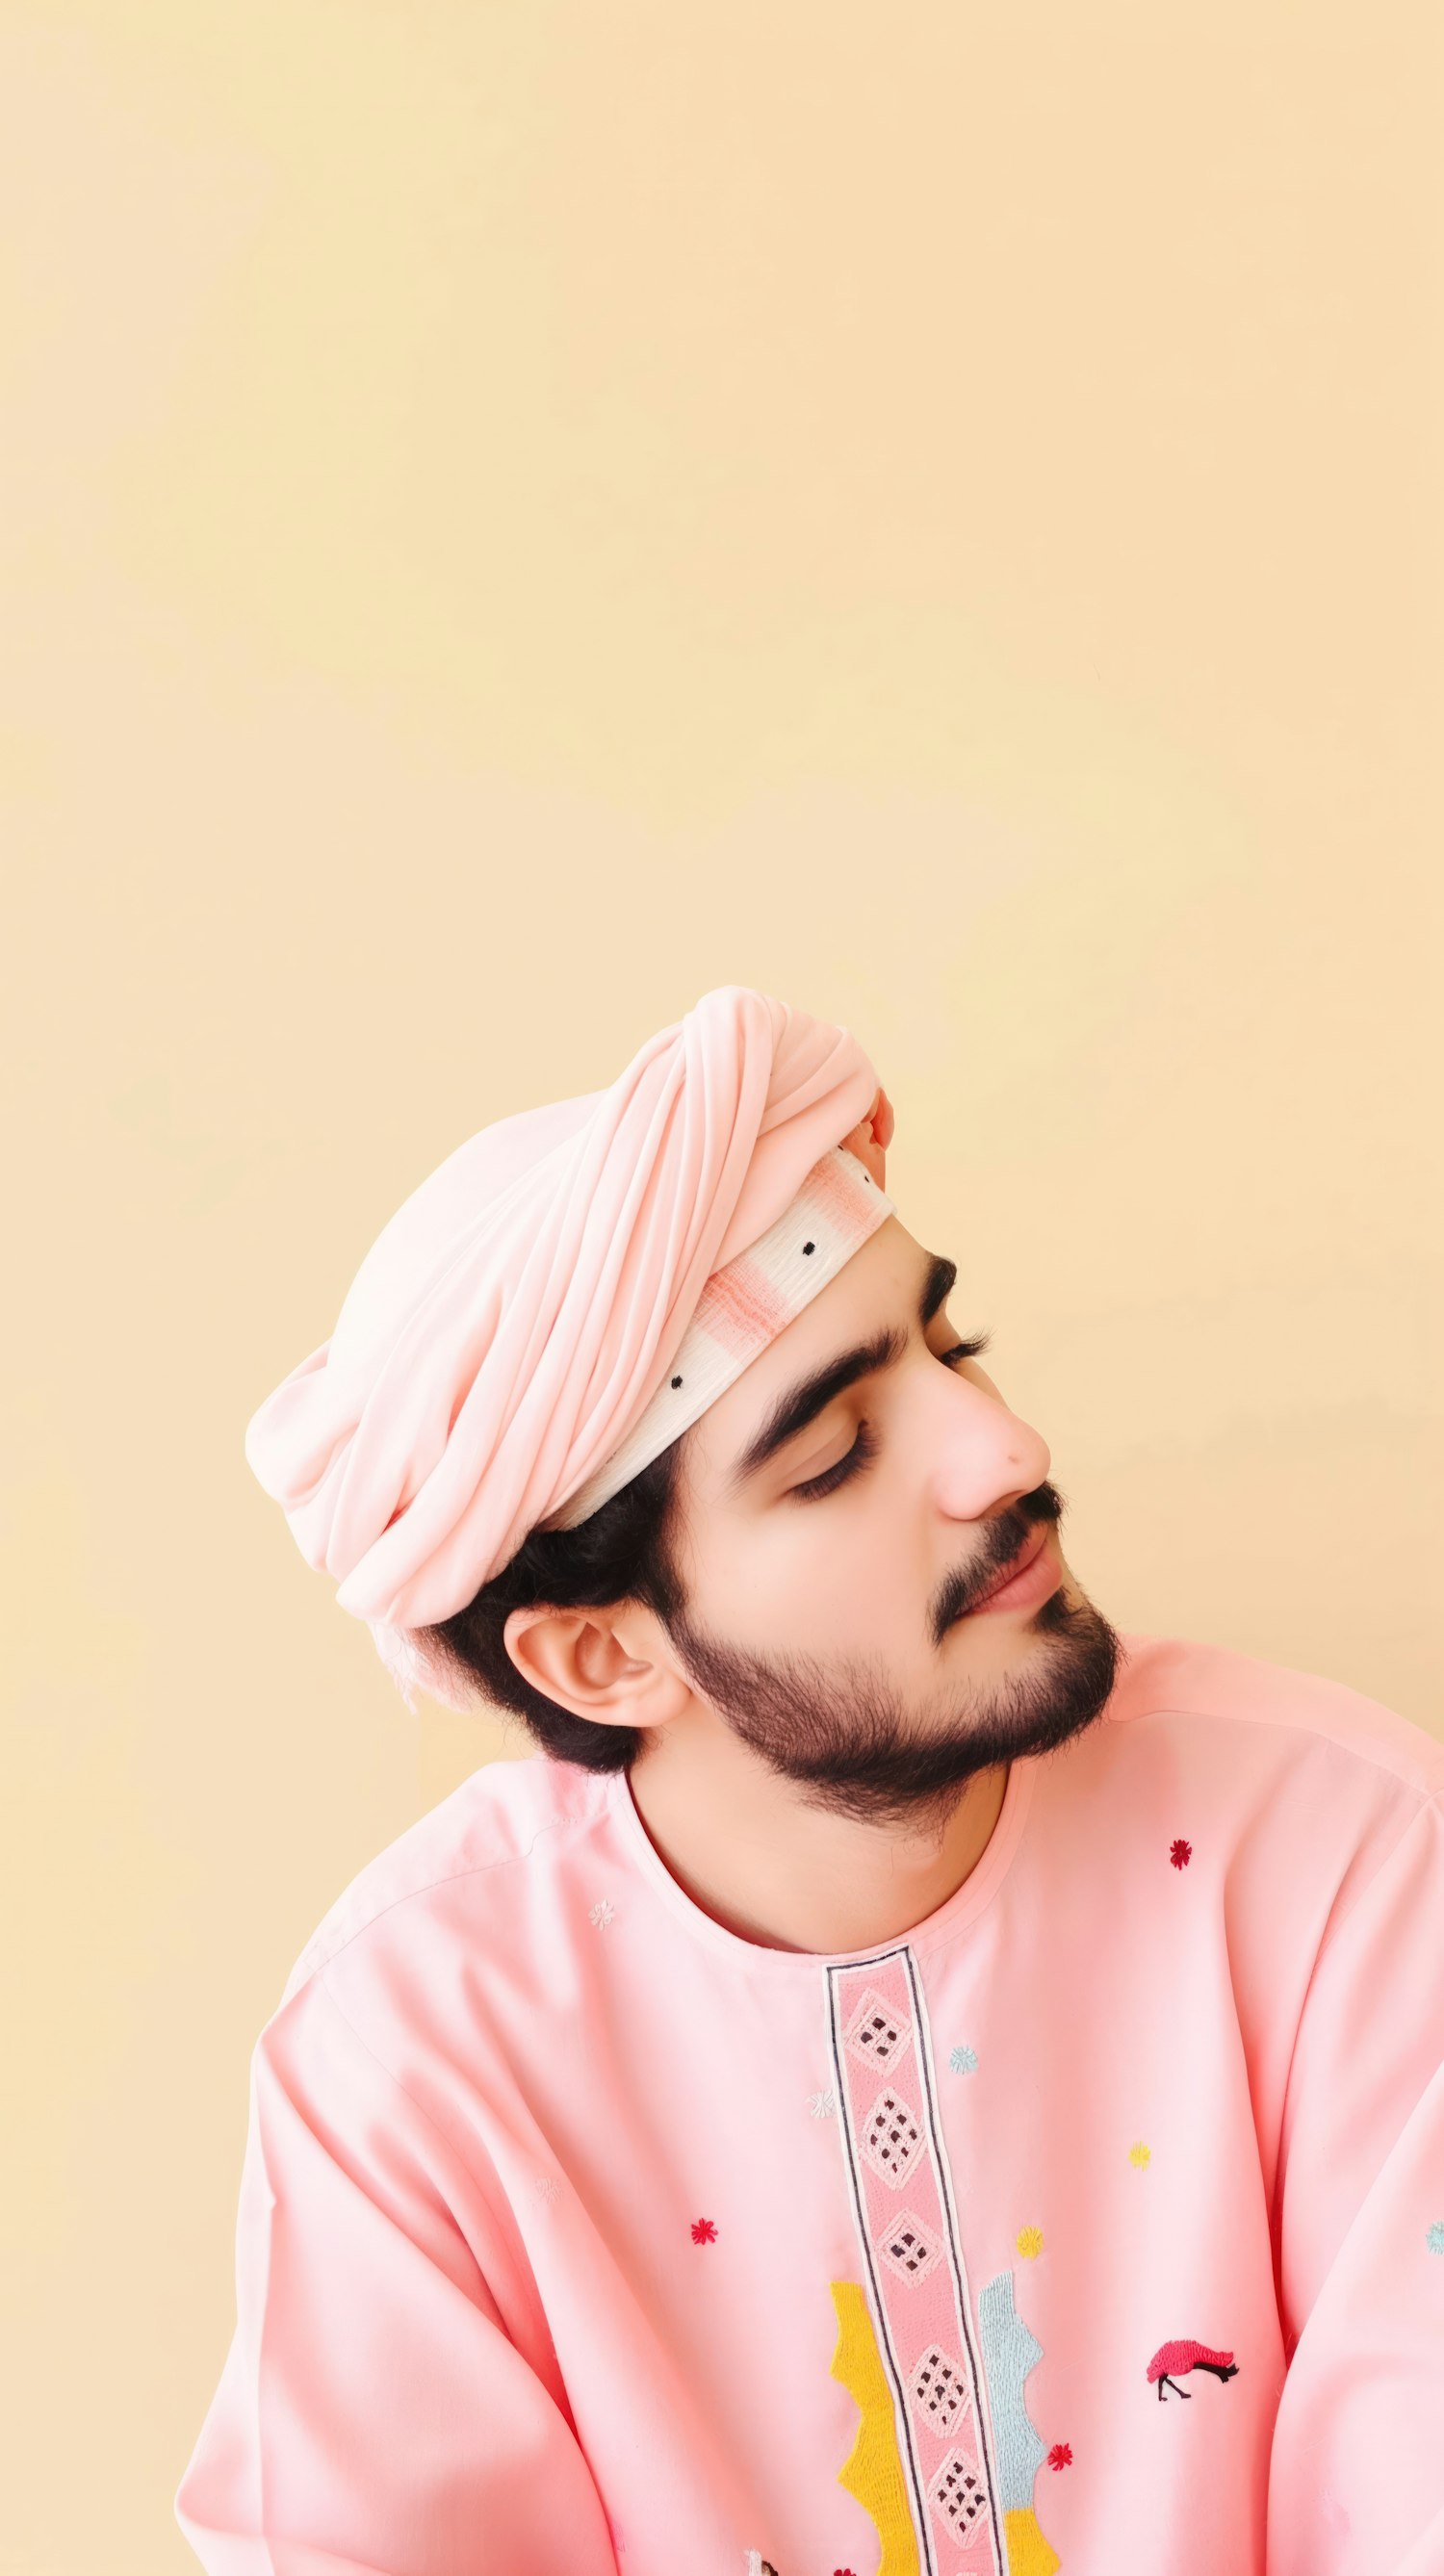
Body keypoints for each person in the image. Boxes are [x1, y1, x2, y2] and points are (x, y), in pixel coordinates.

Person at [174, 986, 1444, 2576]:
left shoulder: (1345, 1864)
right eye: (836, 1453)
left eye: (950, 1348)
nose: (1001, 1447)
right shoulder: (415, 2050)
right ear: (605, 1658)